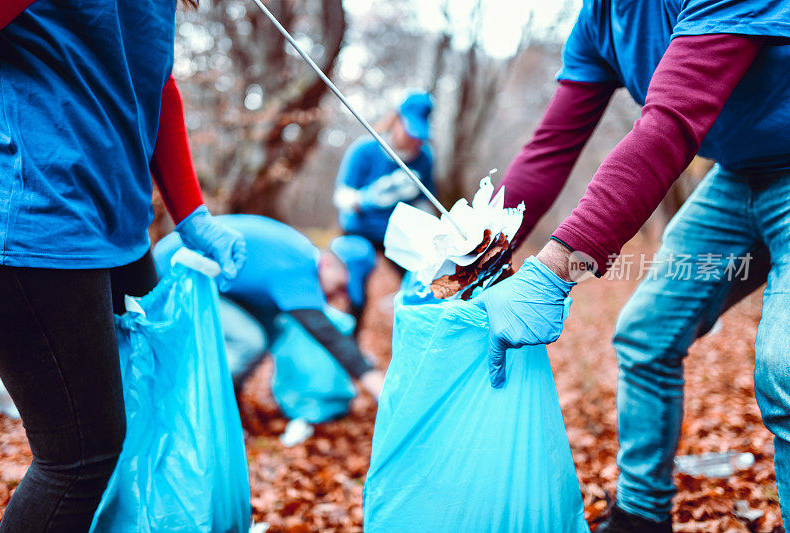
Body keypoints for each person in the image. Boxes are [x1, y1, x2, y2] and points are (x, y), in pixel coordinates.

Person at [474, 1, 790, 531]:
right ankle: (640, 517)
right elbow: (552, 147)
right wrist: (473, 255)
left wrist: (553, 269)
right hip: (738, 176)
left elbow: (670, 122)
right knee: (646, 335)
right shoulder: (601, 19)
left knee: (784, 368)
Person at [0, 2, 246, 530]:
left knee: (146, 414)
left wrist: (192, 214)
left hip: (119, 229)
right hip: (33, 218)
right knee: (80, 457)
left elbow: (155, 82)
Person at [153, 215, 385, 401]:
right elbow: (322, 330)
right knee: (249, 341)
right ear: (329, 262)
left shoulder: (301, 255)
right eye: (342, 286)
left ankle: (227, 399)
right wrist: (370, 378)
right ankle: (198, 405)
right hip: (175, 274)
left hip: (205, 279)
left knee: (272, 327)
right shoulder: (297, 268)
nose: (339, 295)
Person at [333, 91, 436, 250]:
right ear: (396, 121)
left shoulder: (425, 158)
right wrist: (364, 199)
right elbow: (342, 196)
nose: (415, 140)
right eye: (411, 132)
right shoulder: (364, 150)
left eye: (419, 135)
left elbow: (424, 201)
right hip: (359, 235)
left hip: (399, 241)